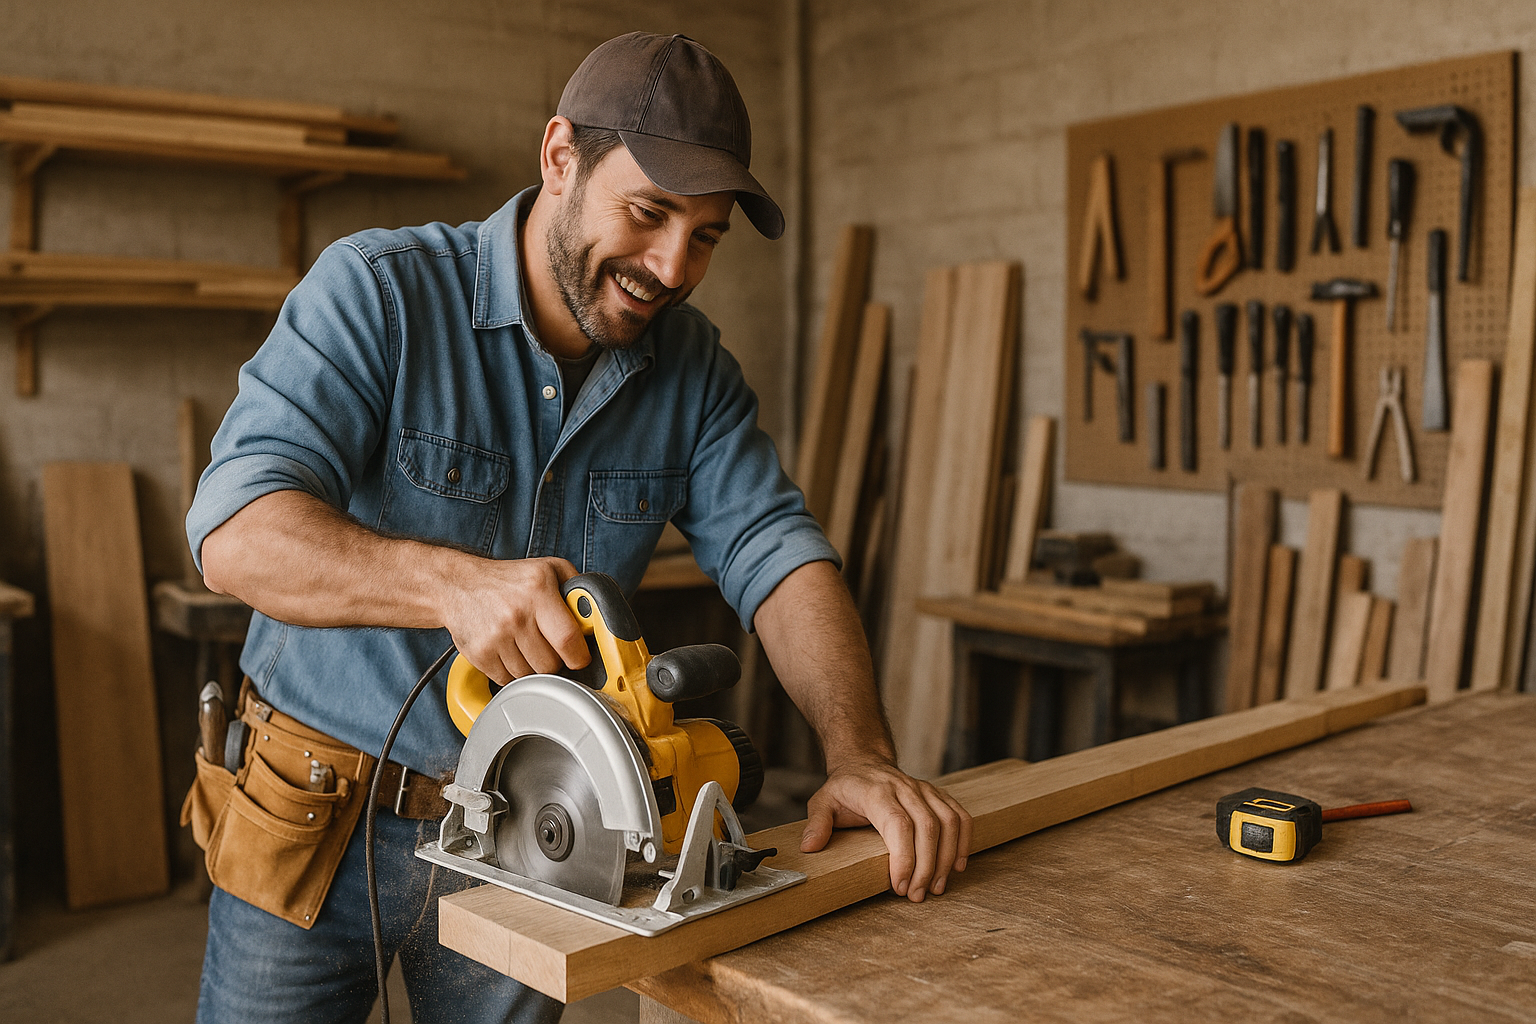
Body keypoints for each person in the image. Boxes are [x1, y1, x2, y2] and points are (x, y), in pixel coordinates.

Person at [186, 31, 971, 1024]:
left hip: (535, 829)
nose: (672, 265)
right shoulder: (380, 294)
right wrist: (453, 584)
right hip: (311, 812)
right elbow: (234, 531)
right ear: (561, 157)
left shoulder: (693, 371)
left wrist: (859, 754)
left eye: (706, 235)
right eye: (648, 214)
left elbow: (779, 555)